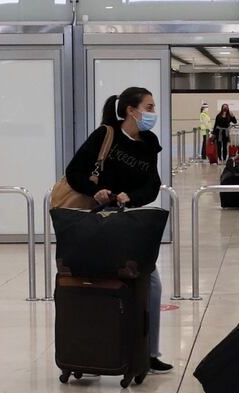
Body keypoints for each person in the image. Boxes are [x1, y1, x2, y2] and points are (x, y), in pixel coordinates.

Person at [64, 86, 173, 374]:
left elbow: (151, 185)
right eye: (148, 107)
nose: (152, 113)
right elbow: (73, 172)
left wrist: (131, 196)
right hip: (96, 220)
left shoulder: (149, 142)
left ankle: (148, 353)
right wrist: (96, 190)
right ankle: (90, 351)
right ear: (130, 110)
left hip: (130, 221)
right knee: (96, 283)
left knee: (151, 283)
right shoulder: (105, 135)